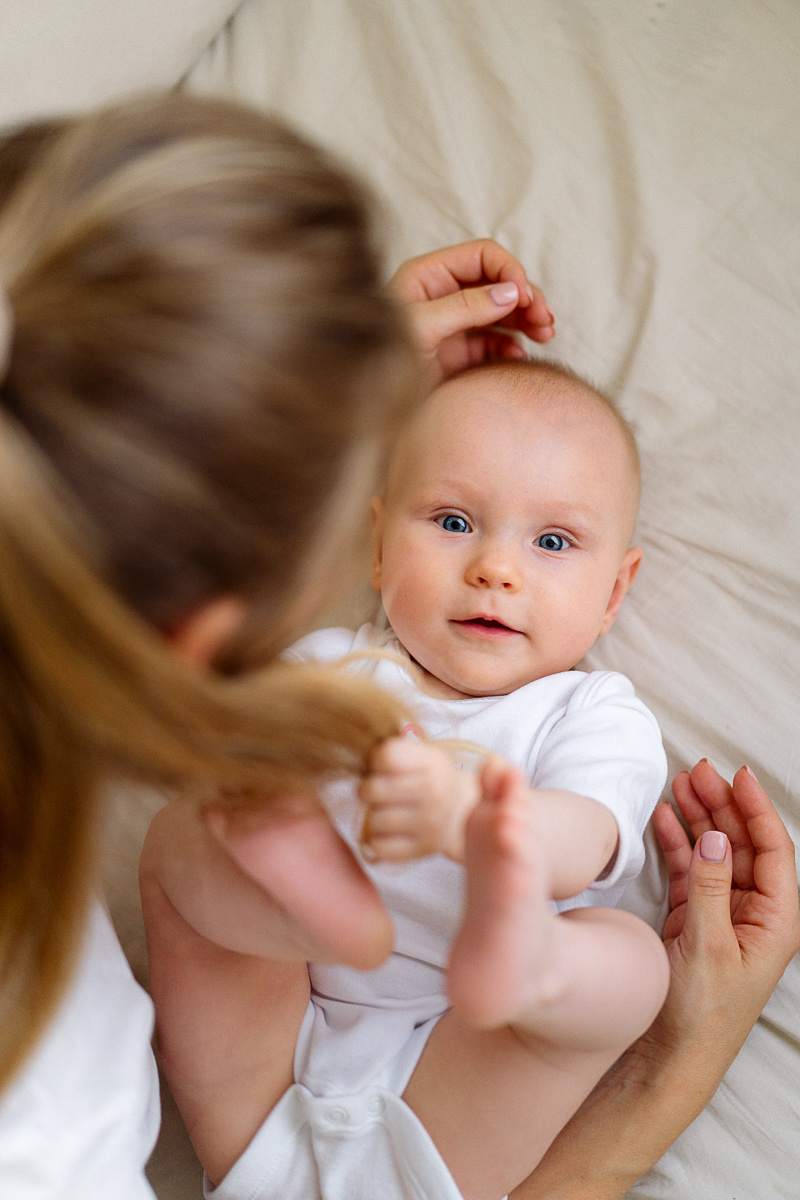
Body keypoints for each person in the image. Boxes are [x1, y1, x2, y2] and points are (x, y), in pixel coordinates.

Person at [0, 94, 554, 1198]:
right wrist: (661, 1086)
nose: (492, 566)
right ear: (196, 644)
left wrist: (261, 376)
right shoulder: (47, 1109)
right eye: (430, 515)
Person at [142, 356, 676, 1199]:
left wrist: (483, 823)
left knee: (632, 963)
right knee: (181, 836)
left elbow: (590, 833)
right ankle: (312, 910)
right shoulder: (329, 669)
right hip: (277, 1054)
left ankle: (528, 956)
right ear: (381, 548)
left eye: (552, 542)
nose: (497, 568)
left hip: (455, 1070)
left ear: (615, 593)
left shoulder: (590, 712)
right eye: (455, 521)